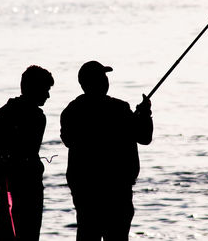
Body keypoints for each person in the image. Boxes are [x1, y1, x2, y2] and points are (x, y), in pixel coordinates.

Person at [60, 61, 153, 241]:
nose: (105, 81)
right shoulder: (120, 109)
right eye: (102, 77)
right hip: (116, 190)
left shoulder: (71, 111)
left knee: (88, 233)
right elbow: (144, 137)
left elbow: (68, 140)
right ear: (90, 82)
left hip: (85, 190)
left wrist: (141, 115)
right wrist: (144, 115)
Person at [0, 65, 54, 241]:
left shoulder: (3, 113)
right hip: (28, 186)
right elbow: (27, 153)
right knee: (29, 234)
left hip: (5, 186)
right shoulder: (37, 117)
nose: (48, 95)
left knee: (5, 234)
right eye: (45, 89)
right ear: (33, 89)